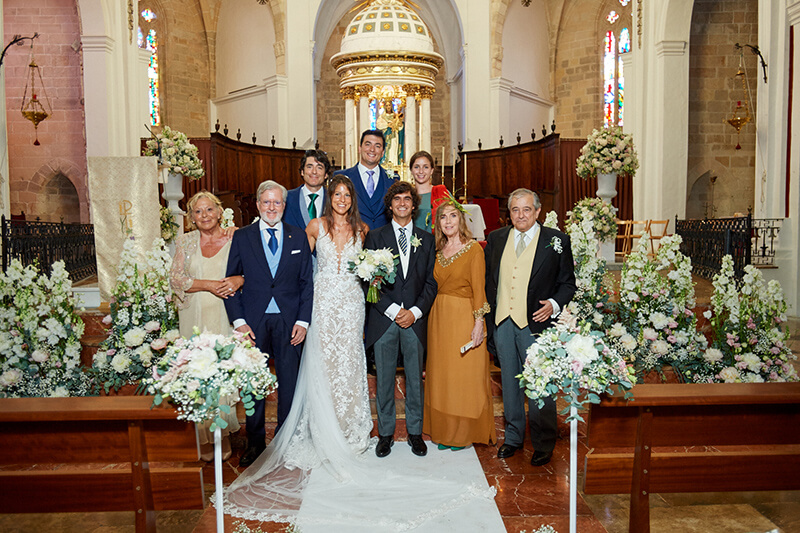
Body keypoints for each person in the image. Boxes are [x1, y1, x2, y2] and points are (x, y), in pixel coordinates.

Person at [224, 177, 492, 528]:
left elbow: (423, 280)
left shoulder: (369, 231)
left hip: (357, 309)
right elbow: (301, 270)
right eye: (336, 194)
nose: (340, 199)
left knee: (359, 368)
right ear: (330, 198)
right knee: (331, 368)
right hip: (331, 309)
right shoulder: (322, 227)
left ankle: (399, 431)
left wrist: (415, 311)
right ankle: (355, 431)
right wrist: (248, 281)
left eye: (346, 195)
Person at [224, 180, 314, 467]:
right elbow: (231, 282)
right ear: (259, 204)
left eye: (277, 203)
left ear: (284, 206)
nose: (272, 207)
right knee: (254, 385)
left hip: (289, 322)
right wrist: (238, 322)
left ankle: (285, 441)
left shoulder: (298, 236)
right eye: (267, 202)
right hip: (253, 323)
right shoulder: (242, 237)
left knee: (289, 384)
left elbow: (306, 284)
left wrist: (303, 320)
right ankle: (255, 442)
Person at [484, 188, 576, 467]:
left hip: (535, 323)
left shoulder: (556, 240)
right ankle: (513, 438)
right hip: (503, 323)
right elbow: (490, 282)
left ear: (538, 212)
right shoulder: (496, 239)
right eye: (515, 210)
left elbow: (568, 283)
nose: (521, 215)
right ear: (508, 214)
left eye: (526, 209)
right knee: (510, 384)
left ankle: (543, 442)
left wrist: (555, 303)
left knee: (539, 384)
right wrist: (490, 322)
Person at [364, 181, 437, 458]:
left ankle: (415, 433)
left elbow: (431, 283)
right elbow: (369, 282)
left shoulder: (427, 239)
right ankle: (385, 434)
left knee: (415, 380)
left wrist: (415, 312)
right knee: (383, 379)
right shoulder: (375, 237)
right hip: (385, 321)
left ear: (414, 204)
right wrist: (394, 311)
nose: (402, 203)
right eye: (397, 199)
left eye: (407, 199)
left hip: (415, 321)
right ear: (390, 205)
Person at [170, 191, 243, 461]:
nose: (204, 216)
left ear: (220, 212)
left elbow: (248, 270)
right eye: (198, 212)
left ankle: (220, 438)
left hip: (225, 315)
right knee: (199, 375)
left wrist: (239, 280)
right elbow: (176, 279)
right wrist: (209, 285)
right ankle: (202, 437)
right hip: (195, 316)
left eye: (209, 210)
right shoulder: (186, 242)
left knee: (221, 372)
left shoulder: (235, 237)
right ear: (191, 217)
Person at [423, 201, 496, 450]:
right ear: (438, 223)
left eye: (453, 216)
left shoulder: (474, 249)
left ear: (461, 220)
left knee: (464, 377)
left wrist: (479, 323)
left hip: (464, 316)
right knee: (442, 376)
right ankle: (444, 430)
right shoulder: (436, 250)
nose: (448, 222)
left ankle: (463, 433)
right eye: (443, 217)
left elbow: (479, 290)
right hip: (438, 319)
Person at [334, 129, 396, 230]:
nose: (372, 149)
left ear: (382, 152)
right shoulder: (341, 177)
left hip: (383, 241)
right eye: (368, 144)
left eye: (377, 146)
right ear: (360, 148)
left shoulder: (392, 180)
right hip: (351, 238)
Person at [283, 149, 329, 229]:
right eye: (309, 167)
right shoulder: (287, 198)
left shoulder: (333, 199)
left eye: (319, 168)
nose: (314, 172)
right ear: (302, 172)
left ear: (326, 174)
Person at [409, 150, 449, 232]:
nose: (421, 171)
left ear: (431, 170)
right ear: (411, 170)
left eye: (425, 167)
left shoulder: (442, 192)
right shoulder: (407, 196)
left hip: (437, 242)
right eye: (416, 167)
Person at [376, 100, 404, 168]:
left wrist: (399, 124)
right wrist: (387, 125)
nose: (388, 107)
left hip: (394, 136)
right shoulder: (382, 117)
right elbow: (378, 125)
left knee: (393, 149)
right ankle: (385, 163)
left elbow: (400, 128)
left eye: (389, 105)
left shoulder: (395, 116)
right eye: (387, 105)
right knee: (386, 148)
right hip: (386, 136)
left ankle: (394, 164)